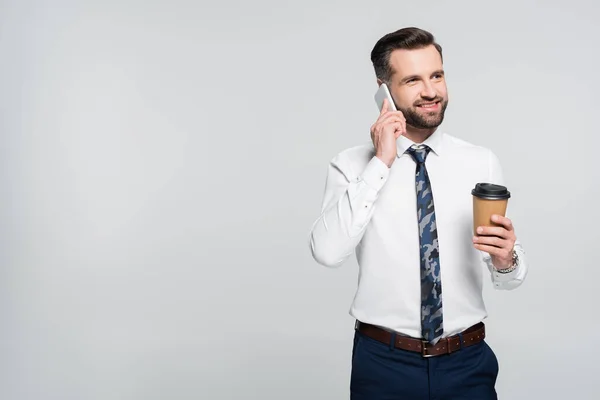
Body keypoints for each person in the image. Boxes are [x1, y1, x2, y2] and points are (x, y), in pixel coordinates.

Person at [308, 27, 528, 399]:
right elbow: (327, 252)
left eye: (437, 75)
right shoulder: (351, 165)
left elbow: (507, 277)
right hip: (384, 364)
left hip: (467, 361)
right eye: (412, 80)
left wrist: (507, 260)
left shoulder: (480, 162)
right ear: (384, 90)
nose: (431, 91)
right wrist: (381, 163)